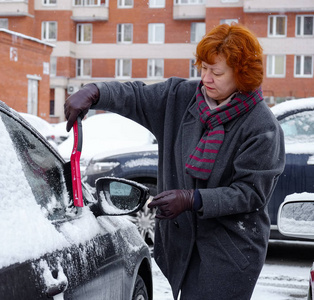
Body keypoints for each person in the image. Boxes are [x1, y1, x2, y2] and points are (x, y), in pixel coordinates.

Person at [64, 23, 285, 299]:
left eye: (216, 72)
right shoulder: (180, 98)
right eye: (203, 68)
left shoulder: (261, 126)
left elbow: (251, 193)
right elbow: (137, 97)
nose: (206, 78)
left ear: (242, 75)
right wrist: (96, 92)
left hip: (230, 250)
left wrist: (193, 199)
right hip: (182, 246)